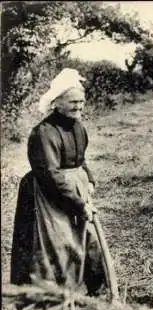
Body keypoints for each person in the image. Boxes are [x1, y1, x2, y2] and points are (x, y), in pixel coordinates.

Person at [10, 68, 107, 296]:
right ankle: (51, 296)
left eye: (81, 102)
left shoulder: (78, 127)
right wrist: (78, 203)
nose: (79, 107)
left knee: (85, 239)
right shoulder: (43, 133)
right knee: (56, 244)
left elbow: (80, 160)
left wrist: (88, 181)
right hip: (47, 196)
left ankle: (85, 292)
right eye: (73, 102)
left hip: (73, 191)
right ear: (57, 103)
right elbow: (50, 175)